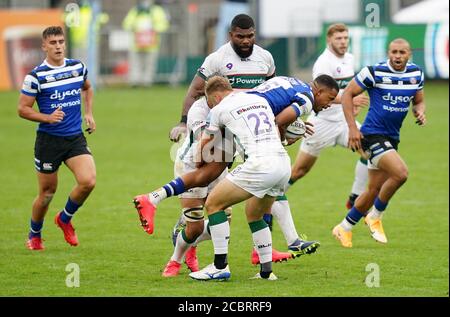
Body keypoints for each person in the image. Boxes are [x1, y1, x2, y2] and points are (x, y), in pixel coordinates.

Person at [134, 75, 339, 275]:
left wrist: (285, 129)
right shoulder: (255, 99)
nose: (329, 104)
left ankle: (220, 267)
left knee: (214, 206)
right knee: (246, 212)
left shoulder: (225, 107)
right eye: (329, 99)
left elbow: (211, 144)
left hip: (250, 160)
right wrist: (286, 133)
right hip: (275, 162)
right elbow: (274, 119)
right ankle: (268, 269)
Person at [166, 14, 319, 265]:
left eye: (250, 36)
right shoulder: (217, 58)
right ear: (231, 35)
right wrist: (183, 122)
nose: (246, 41)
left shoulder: (265, 58)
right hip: (222, 131)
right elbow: (195, 91)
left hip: (250, 132)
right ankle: (188, 232)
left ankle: (262, 251)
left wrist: (291, 122)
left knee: (269, 184)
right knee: (208, 184)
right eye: (240, 36)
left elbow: (274, 94)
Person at [332, 38, 426, 248]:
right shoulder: (373, 72)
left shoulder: (416, 74)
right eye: (394, 52)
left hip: (392, 137)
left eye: (402, 52)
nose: (397, 56)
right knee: (401, 173)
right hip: (371, 136)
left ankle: (344, 227)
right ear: (388, 52)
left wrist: (419, 111)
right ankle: (375, 216)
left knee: (373, 190)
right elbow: (348, 94)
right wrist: (352, 128)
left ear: (409, 54)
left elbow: (418, 100)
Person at [18, 26, 96, 250]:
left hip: (74, 138)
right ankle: (35, 235)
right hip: (48, 141)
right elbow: (22, 109)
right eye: (53, 43)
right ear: (44, 46)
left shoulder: (77, 68)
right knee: (47, 193)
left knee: (88, 181)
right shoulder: (35, 77)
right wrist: (47, 117)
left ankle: (64, 219)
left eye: (61, 42)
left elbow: (88, 89)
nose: (58, 46)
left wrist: (88, 113)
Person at [289, 23, 370, 208]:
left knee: (370, 151)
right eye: (338, 39)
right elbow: (321, 96)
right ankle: (273, 199)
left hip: (343, 122)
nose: (343, 42)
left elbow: (348, 89)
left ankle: (354, 198)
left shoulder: (349, 58)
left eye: (345, 38)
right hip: (322, 123)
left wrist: (352, 104)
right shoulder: (323, 63)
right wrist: (350, 100)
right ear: (329, 40)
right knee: (300, 170)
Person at [122, 0, 169, 86]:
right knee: (135, 64)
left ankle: (147, 82)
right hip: (136, 44)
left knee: (149, 64)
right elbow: (126, 24)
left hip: (152, 44)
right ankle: (135, 81)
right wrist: (134, 28)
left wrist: (153, 28)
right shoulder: (135, 11)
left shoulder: (157, 11)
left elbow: (163, 24)